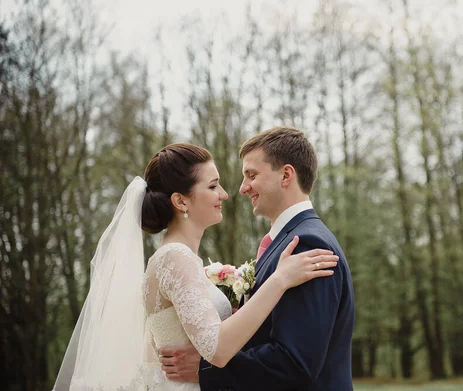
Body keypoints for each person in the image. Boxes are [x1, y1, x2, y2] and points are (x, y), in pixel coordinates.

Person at [53, 143, 339, 391]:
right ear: (180, 201)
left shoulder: (179, 258)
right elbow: (217, 348)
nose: (225, 194)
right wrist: (280, 279)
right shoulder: (174, 257)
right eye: (213, 186)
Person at [159, 127, 355, 390]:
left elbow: (295, 363)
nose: (242, 188)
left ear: (286, 175)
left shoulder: (306, 244)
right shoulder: (288, 241)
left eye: (251, 175)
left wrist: (205, 370)